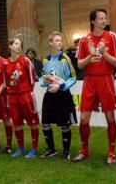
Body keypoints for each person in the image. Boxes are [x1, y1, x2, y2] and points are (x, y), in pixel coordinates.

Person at [73, 8, 116, 164]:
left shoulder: (111, 36)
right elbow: (79, 64)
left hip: (106, 79)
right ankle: (84, 150)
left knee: (110, 116)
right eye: (100, 18)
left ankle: (111, 152)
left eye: (104, 18)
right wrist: (91, 55)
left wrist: (104, 53)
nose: (103, 21)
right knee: (84, 118)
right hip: (89, 80)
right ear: (93, 21)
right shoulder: (84, 40)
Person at [39, 31, 77, 160]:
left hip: (62, 95)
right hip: (49, 95)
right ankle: (51, 149)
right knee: (45, 123)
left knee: (64, 124)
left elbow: (73, 78)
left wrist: (60, 86)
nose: (59, 42)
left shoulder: (65, 58)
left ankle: (66, 151)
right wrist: (45, 80)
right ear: (50, 43)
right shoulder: (45, 60)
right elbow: (42, 80)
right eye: (56, 40)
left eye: (60, 40)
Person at [5, 38, 40, 159]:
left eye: (20, 44)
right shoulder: (6, 63)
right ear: (10, 46)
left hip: (26, 94)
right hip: (13, 96)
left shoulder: (25, 60)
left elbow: (33, 79)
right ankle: (21, 148)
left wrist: (27, 91)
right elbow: (7, 81)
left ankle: (34, 149)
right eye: (16, 44)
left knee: (33, 123)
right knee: (17, 123)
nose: (18, 46)